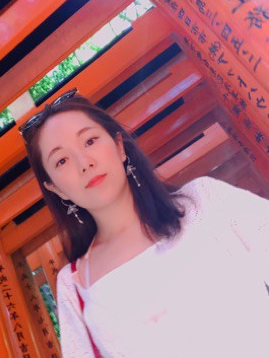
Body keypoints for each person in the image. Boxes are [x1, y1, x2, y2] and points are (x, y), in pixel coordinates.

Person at [19, 88, 269, 358]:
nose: (84, 163)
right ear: (56, 188)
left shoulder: (204, 200)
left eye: (90, 141)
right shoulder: (74, 284)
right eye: (62, 160)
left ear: (119, 146)